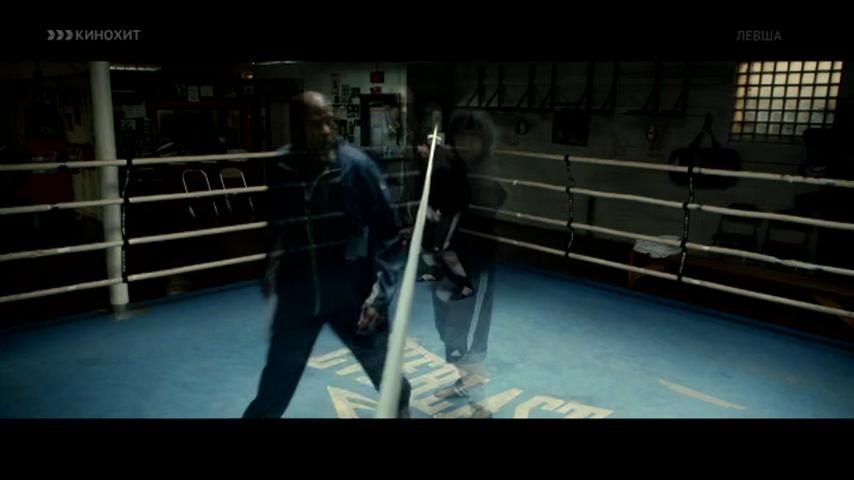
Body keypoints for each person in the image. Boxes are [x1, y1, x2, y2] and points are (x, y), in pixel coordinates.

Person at [243, 91, 411, 418]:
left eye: (329, 122)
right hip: (299, 296)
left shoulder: (357, 167)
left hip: (352, 295)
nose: (325, 131)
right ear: (295, 127)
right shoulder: (281, 165)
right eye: (315, 124)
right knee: (275, 385)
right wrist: (270, 268)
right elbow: (277, 222)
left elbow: (388, 235)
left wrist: (379, 298)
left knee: (388, 380)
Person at [425, 110, 507, 418]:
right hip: (445, 263)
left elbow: (475, 200)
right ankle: (464, 383)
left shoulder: (485, 175)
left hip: (474, 266)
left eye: (473, 138)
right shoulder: (448, 169)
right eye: (461, 137)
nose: (466, 144)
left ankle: (480, 404)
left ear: (484, 142)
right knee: (446, 329)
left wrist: (441, 165)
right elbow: (435, 203)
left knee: (467, 336)